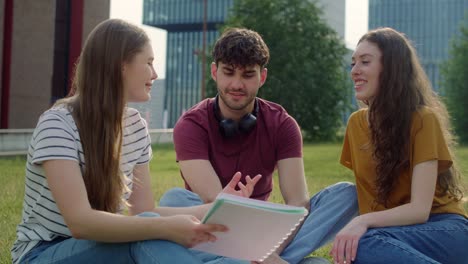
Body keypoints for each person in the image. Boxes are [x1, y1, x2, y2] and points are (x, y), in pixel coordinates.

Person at [11, 19, 261, 264]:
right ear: (121, 65)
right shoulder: (58, 124)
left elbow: (142, 212)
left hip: (109, 247)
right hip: (44, 253)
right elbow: (80, 223)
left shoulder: (135, 126)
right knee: (150, 234)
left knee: (155, 230)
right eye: (149, 63)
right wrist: (162, 227)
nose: (155, 73)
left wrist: (218, 206)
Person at [158, 27, 359, 264]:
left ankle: (245, 260)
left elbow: (298, 203)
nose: (237, 84)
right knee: (175, 199)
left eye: (247, 75)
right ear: (215, 72)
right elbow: (217, 205)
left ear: (262, 77)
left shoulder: (283, 124)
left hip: (265, 230)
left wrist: (267, 250)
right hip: (209, 226)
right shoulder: (191, 125)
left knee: (346, 194)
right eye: (229, 72)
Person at [331, 27, 468, 264]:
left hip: (443, 229)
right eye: (353, 63)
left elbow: (419, 210)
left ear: (391, 68)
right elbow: (370, 196)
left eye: (365, 62)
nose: (354, 71)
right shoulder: (355, 125)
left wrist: (361, 221)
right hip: (390, 234)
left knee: (364, 243)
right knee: (358, 247)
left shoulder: (423, 119)